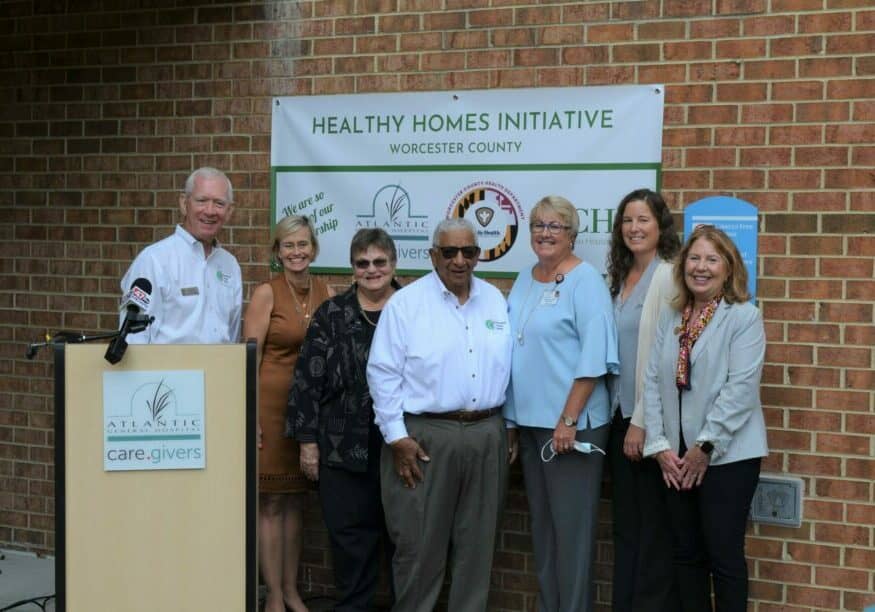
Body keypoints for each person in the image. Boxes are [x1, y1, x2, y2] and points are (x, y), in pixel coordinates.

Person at [366, 218, 513, 612]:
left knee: (477, 550)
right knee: (418, 550)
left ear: (478, 256)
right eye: (449, 252)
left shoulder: (495, 301)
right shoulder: (406, 304)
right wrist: (397, 438)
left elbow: (508, 369)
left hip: (486, 433)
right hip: (424, 439)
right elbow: (382, 373)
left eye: (468, 251)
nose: (459, 260)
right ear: (433, 256)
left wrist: (508, 428)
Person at [643, 224, 768, 612]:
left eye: (712, 260)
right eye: (694, 258)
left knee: (723, 556)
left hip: (726, 456)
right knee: (686, 555)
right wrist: (659, 444)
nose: (701, 267)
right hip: (676, 457)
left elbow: (740, 390)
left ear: (728, 268)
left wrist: (704, 447)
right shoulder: (672, 316)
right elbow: (652, 380)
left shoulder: (743, 317)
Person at [504, 195, 619, 612]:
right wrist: (511, 424)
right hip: (531, 425)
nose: (545, 233)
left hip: (571, 427)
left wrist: (569, 419)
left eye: (555, 226)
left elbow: (594, 357)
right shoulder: (525, 278)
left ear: (572, 235)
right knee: (544, 532)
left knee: (571, 536)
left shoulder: (586, 282)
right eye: (538, 225)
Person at [289, 228, 400, 611]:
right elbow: (306, 381)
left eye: (379, 262)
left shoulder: (413, 310)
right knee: (350, 542)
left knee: (404, 540)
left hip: (401, 447)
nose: (372, 270)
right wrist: (307, 443)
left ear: (393, 264)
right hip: (340, 448)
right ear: (352, 267)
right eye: (362, 263)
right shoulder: (332, 314)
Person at [243, 215, 332, 612]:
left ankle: (292, 590)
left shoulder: (325, 291)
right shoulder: (267, 293)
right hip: (270, 409)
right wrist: (251, 416)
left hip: (308, 415)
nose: (296, 252)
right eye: (288, 245)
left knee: (297, 502)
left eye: (303, 244)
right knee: (271, 503)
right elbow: (249, 358)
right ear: (277, 252)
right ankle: (274, 596)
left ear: (313, 248)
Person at [605, 189, 680, 612]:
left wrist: (642, 422)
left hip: (649, 422)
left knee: (653, 530)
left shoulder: (668, 276)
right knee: (626, 527)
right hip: (618, 416)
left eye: (643, 220)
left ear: (660, 225)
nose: (634, 228)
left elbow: (661, 356)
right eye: (627, 220)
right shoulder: (619, 278)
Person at [121, 166, 241, 345]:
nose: (210, 211)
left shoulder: (230, 265)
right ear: (184, 204)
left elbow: (233, 336)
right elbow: (133, 339)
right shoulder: (154, 260)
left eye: (219, 203)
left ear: (229, 211)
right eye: (201, 201)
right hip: (166, 364)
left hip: (220, 363)